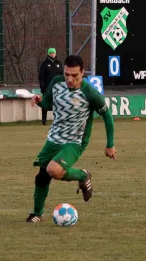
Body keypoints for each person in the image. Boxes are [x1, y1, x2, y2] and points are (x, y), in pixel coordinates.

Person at [26, 55, 116, 223]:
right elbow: (48, 103)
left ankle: (82, 176)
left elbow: (107, 116)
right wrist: (39, 101)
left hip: (75, 140)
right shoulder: (56, 83)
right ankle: (37, 213)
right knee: (42, 177)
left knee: (53, 170)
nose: (69, 79)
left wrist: (110, 144)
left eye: (74, 75)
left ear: (82, 73)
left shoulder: (89, 92)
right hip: (54, 137)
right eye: (67, 74)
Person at [38, 48, 63, 125]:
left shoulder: (59, 63)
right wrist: (42, 86)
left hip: (58, 88)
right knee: (45, 103)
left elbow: (62, 75)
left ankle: (57, 120)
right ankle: (44, 120)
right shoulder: (44, 64)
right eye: (51, 53)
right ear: (48, 54)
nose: (52, 54)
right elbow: (41, 76)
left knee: (57, 104)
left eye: (53, 53)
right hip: (47, 88)